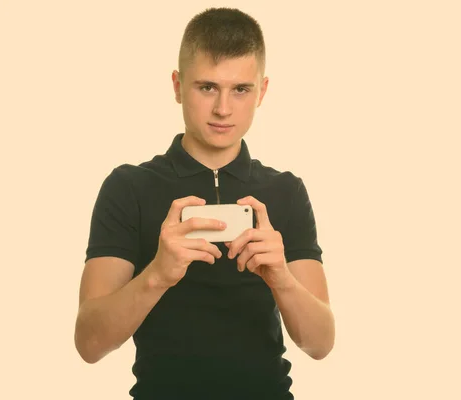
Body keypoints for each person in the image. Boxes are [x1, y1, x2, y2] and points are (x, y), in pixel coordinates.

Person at [74, 7, 335, 399]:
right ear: (178, 86)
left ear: (261, 91)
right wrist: (158, 274)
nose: (223, 109)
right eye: (207, 87)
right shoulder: (128, 186)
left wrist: (281, 278)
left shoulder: (286, 190)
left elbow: (320, 344)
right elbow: (89, 344)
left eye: (240, 89)